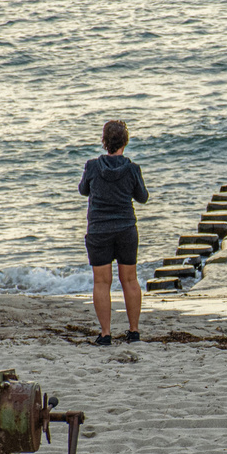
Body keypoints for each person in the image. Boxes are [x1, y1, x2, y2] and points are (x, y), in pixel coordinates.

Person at [79, 120, 149, 345]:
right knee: (129, 279)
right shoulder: (132, 168)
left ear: (104, 142)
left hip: (99, 229)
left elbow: (83, 190)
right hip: (126, 228)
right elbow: (143, 197)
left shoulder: (92, 166)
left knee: (101, 282)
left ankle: (106, 333)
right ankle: (134, 330)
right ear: (125, 142)